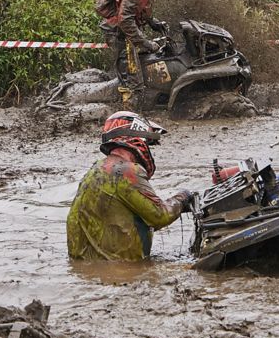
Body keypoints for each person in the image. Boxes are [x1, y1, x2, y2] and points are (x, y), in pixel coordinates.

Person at [67, 111, 192, 261]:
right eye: (148, 143)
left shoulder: (96, 169)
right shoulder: (126, 171)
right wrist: (182, 199)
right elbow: (160, 216)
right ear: (137, 138)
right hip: (118, 267)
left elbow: (127, 219)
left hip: (90, 264)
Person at [96, 0, 184, 107]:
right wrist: (145, 43)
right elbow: (125, 19)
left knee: (141, 63)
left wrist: (152, 21)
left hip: (122, 31)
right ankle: (129, 113)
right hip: (121, 34)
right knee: (133, 83)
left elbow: (135, 7)